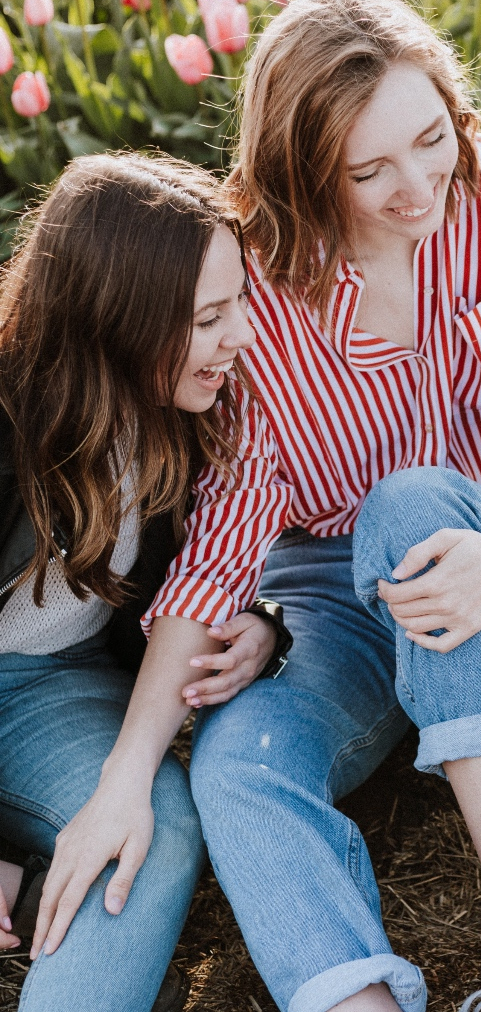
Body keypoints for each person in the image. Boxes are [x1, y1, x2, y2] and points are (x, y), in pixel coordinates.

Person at [149, 0, 481, 1011]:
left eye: (430, 139)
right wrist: (249, 625)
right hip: (332, 597)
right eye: (368, 171)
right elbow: (233, 513)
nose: (415, 187)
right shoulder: (255, 273)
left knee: (410, 510)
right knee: (237, 766)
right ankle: (356, 998)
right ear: (306, 170)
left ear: (453, 106)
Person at [0, 152, 291, 1011]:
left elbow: (217, 563)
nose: (239, 334)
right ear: (114, 323)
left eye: (238, 300)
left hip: (50, 689)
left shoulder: (199, 407)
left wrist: (262, 622)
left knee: (151, 830)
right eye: (208, 317)